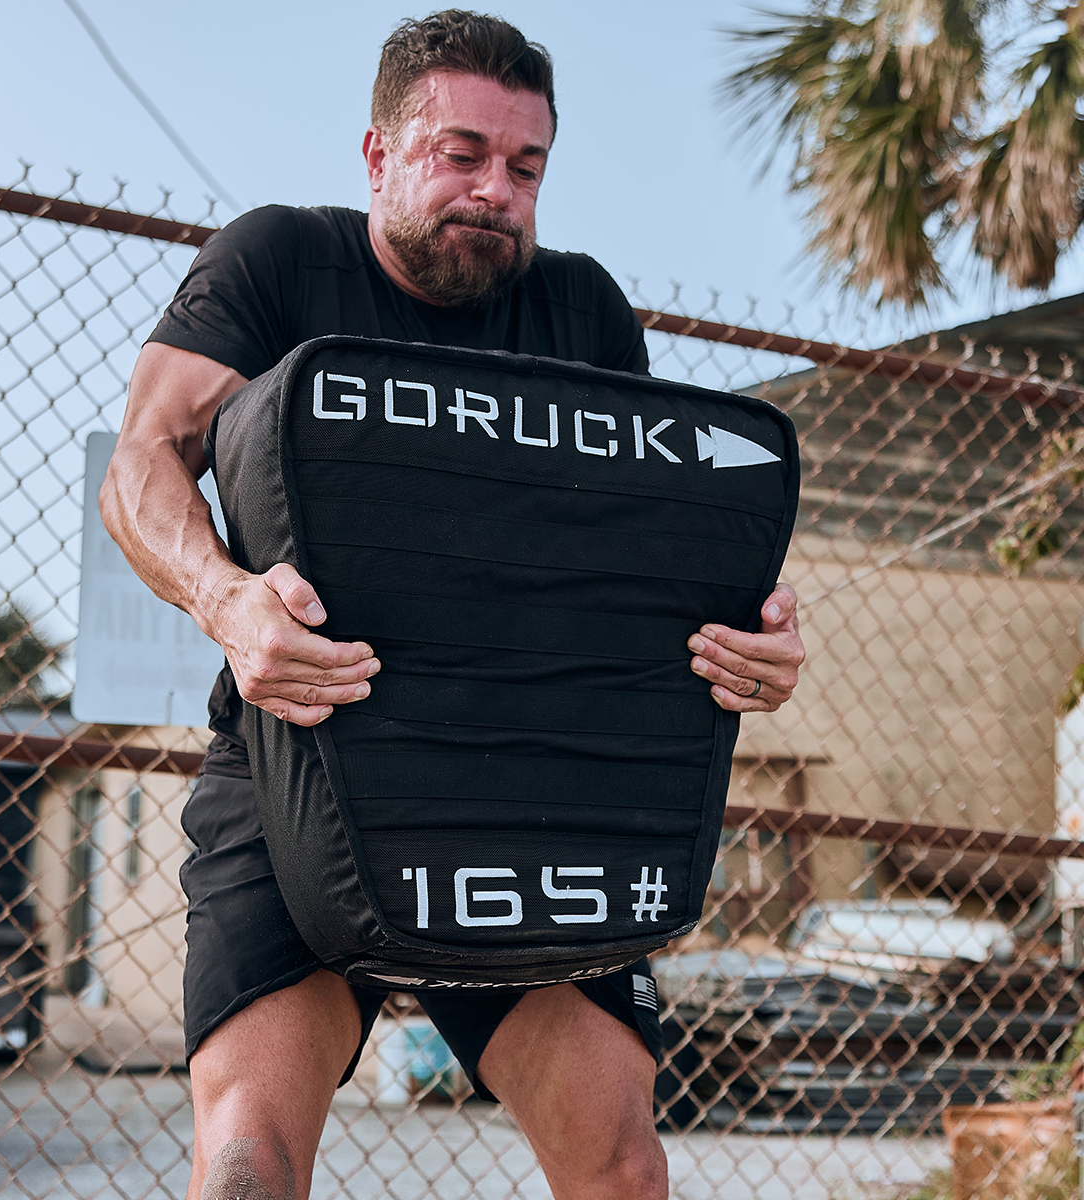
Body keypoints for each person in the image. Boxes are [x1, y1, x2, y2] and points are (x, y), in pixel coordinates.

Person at [101, 11, 805, 1199]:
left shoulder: (581, 310)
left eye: (526, 167)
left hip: (529, 787)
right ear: (378, 154)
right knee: (247, 1167)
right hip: (303, 766)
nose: (496, 192)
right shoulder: (277, 260)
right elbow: (142, 464)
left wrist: (754, 636)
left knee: (624, 1171)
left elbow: (638, 554)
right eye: (462, 154)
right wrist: (228, 603)